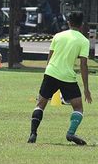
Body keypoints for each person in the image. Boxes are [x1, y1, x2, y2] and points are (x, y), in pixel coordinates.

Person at [27, 11, 92, 145]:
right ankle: (70, 133)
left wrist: (47, 73)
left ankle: (33, 133)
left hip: (51, 72)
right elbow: (83, 65)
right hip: (67, 77)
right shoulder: (84, 41)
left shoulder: (58, 36)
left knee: (40, 104)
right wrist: (86, 88)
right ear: (82, 25)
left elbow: (50, 57)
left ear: (68, 22)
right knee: (78, 108)